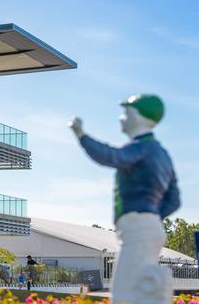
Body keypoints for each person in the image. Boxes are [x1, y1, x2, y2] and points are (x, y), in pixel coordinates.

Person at [69, 94, 180, 304]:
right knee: (140, 288)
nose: (121, 118)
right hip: (148, 227)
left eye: (126, 113)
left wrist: (81, 135)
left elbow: (112, 156)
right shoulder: (162, 154)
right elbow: (174, 200)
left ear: (138, 117)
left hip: (138, 228)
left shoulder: (141, 148)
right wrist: (152, 215)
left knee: (124, 294)